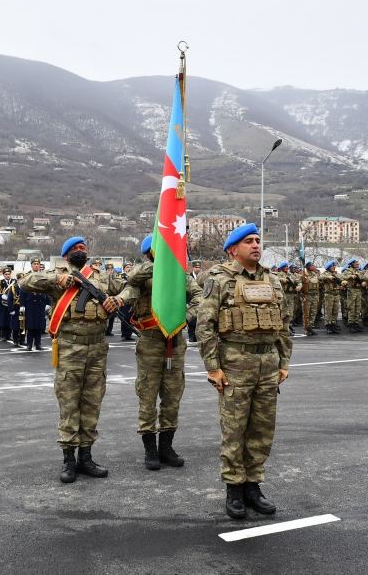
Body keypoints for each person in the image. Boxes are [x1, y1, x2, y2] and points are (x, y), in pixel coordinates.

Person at [195, 223, 291, 520]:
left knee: (262, 430)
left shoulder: (273, 281)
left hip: (268, 365)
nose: (256, 245)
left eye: (258, 240)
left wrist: (284, 361)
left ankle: (253, 485)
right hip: (235, 364)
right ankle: (234, 488)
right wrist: (213, 367)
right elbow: (205, 326)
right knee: (235, 430)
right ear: (232, 249)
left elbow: (284, 324)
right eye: (248, 241)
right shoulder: (219, 280)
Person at [19, 236, 125, 484]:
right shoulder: (57, 276)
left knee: (92, 403)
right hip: (70, 348)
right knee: (69, 405)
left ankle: (86, 457)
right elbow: (25, 282)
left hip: (98, 348)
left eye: (83, 248)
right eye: (75, 249)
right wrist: (58, 279)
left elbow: (128, 287)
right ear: (66, 255)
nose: (80, 250)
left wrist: (117, 300)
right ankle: (69, 460)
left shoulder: (100, 277)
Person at [118, 234, 202, 471]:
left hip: (174, 342)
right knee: (147, 396)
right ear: (149, 253)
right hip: (150, 343)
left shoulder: (179, 275)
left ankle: (166, 446)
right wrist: (159, 265)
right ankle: (150, 449)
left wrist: (186, 317)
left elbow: (199, 297)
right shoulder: (141, 276)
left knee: (172, 396)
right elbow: (130, 283)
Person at [21, 258, 50, 351]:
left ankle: (38, 344)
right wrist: (22, 305)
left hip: (40, 304)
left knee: (39, 325)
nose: (36, 265)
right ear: (31, 265)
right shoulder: (27, 276)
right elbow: (23, 291)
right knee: (30, 325)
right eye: (34, 264)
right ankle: (29, 344)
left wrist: (48, 303)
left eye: (38, 264)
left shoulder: (43, 276)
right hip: (30, 304)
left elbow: (47, 290)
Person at [186, 259, 204, 342]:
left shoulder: (203, 277)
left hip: (201, 303)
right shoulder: (189, 277)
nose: (198, 269)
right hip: (191, 303)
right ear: (193, 268)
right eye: (196, 267)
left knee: (200, 322)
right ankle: (191, 337)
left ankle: (198, 337)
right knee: (191, 322)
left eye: (199, 267)